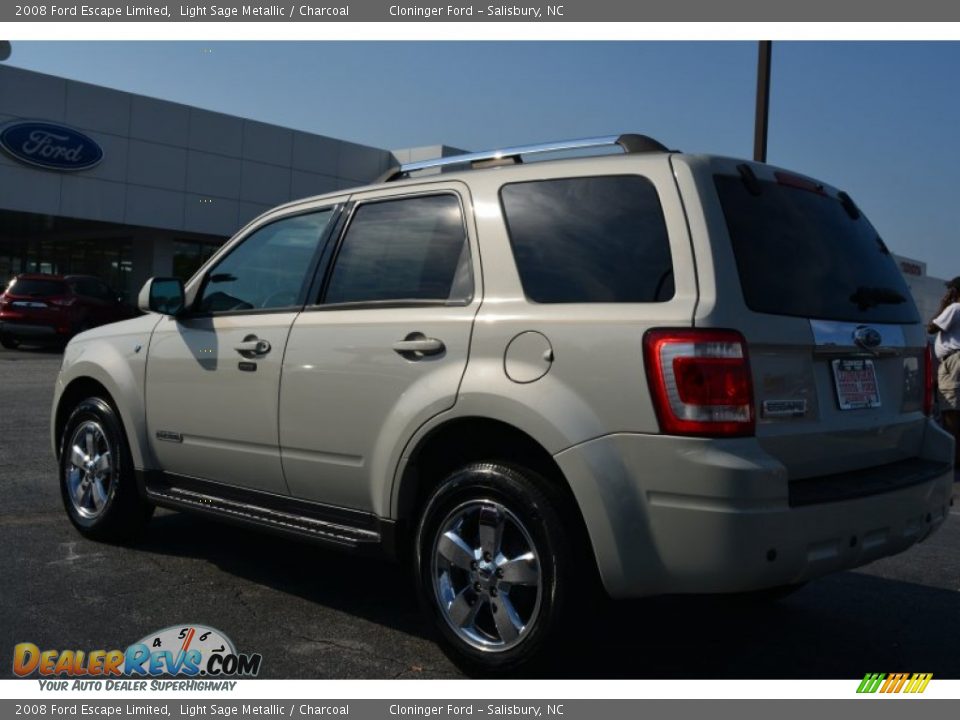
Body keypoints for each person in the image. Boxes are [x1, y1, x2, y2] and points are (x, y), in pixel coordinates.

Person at [928, 276, 960, 470]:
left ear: (954, 292)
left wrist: (943, 304)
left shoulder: (954, 308)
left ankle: (953, 461)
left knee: (951, 412)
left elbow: (932, 327)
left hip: (954, 362)